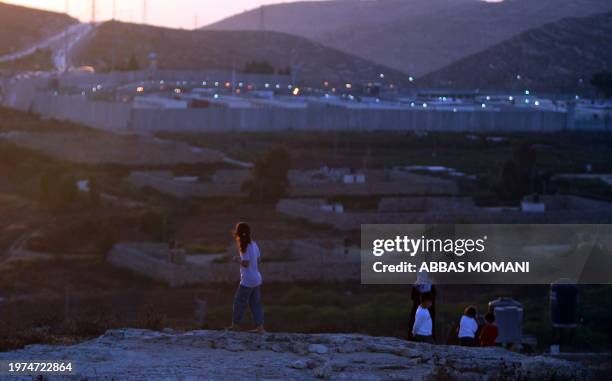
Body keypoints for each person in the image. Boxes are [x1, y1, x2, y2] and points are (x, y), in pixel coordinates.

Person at [227, 222, 265, 333]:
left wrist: (237, 259)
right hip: (257, 279)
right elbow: (258, 260)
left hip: (247, 280)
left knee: (239, 302)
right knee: (255, 304)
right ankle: (260, 328)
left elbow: (246, 263)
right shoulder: (254, 244)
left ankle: (235, 326)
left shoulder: (244, 246)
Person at [409, 269, 436, 340]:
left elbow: (434, 296)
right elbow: (413, 297)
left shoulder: (430, 285)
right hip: (418, 308)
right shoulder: (416, 285)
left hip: (428, 308)